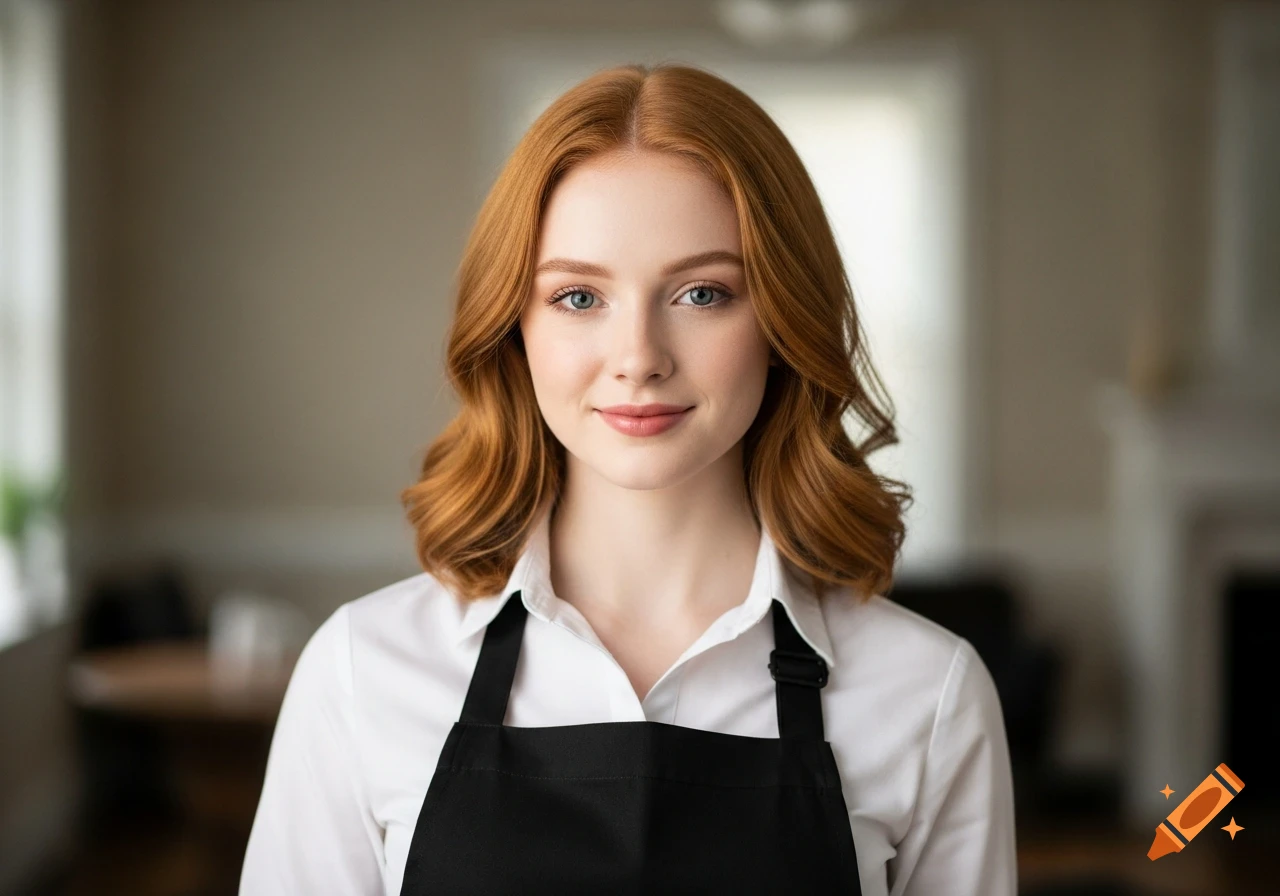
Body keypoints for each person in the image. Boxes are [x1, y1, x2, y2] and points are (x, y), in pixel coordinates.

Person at [239, 62, 1017, 896]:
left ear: (783, 321)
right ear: (514, 328)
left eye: (701, 293)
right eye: (579, 297)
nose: (640, 357)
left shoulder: (929, 696)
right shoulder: (364, 670)